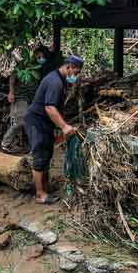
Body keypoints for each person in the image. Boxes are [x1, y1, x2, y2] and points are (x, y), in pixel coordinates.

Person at [24, 54, 82, 204]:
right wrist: (64, 127)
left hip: (45, 123)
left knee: (47, 154)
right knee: (40, 155)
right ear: (68, 67)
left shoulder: (60, 80)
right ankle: (39, 194)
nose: (75, 76)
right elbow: (49, 107)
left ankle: (44, 185)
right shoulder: (55, 82)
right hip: (37, 122)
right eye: (75, 72)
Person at [1, 43, 59, 153]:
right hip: (20, 96)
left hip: (31, 98)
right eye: (39, 57)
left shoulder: (40, 67)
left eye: (42, 57)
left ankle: (29, 146)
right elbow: (13, 77)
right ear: (35, 54)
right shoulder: (24, 64)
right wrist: (11, 92)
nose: (41, 59)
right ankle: (5, 144)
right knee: (20, 121)